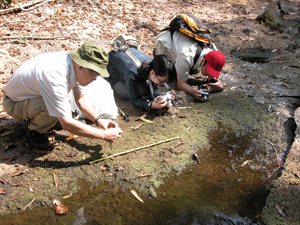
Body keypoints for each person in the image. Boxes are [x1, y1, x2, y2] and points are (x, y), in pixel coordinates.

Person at [3, 42, 123, 150]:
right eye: (94, 75)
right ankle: (35, 131)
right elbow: (66, 124)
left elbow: (81, 99)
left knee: (63, 104)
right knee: (55, 107)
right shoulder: (55, 75)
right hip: (15, 102)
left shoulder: (75, 65)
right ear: (82, 67)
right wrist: (103, 135)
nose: (95, 79)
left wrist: (99, 120)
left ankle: (45, 120)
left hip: (33, 95)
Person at [154, 29, 226, 100]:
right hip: (165, 41)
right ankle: (158, 54)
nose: (210, 74)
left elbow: (214, 71)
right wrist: (194, 92)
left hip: (184, 42)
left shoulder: (215, 53)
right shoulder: (186, 56)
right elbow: (181, 84)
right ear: (203, 61)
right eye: (208, 71)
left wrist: (218, 85)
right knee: (171, 75)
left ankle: (183, 66)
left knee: (193, 69)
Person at [106, 47, 176, 112]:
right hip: (112, 71)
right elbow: (134, 99)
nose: (163, 83)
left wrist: (162, 97)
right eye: (162, 81)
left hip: (127, 64)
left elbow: (153, 89)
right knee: (132, 92)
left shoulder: (156, 65)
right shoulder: (133, 72)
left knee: (145, 88)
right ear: (152, 73)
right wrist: (151, 105)